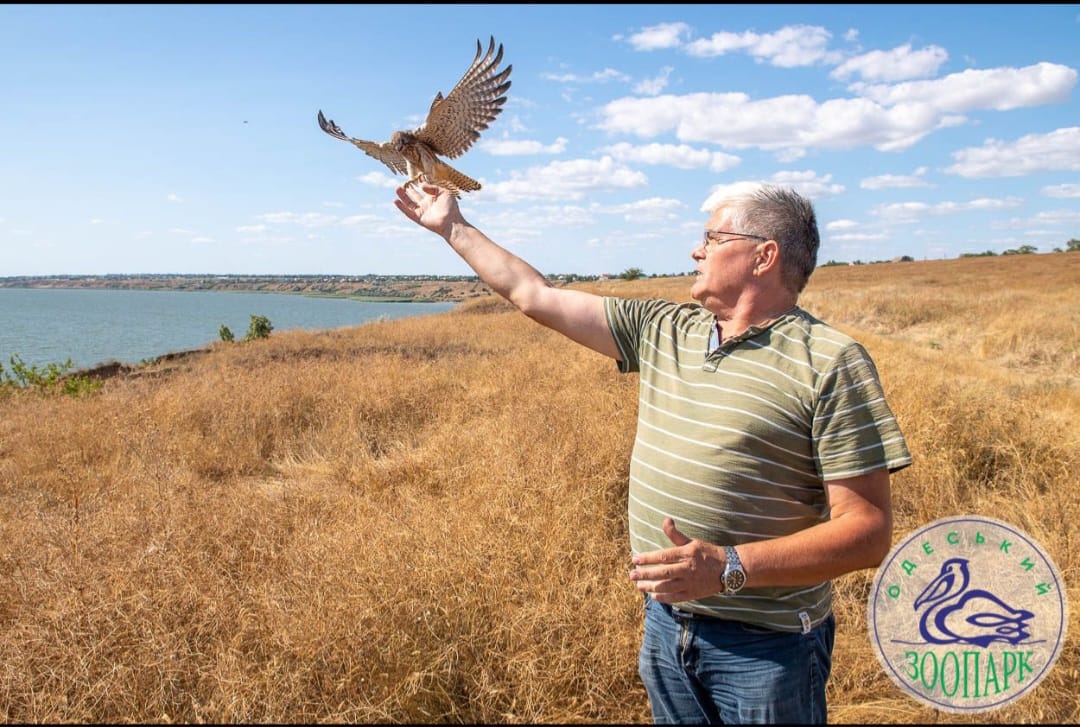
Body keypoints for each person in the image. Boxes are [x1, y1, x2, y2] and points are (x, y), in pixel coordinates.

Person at [393, 181, 912, 724]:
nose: (696, 249)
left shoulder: (830, 362)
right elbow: (534, 295)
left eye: (713, 237)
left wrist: (729, 568)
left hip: (768, 651)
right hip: (668, 627)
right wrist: (453, 226)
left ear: (764, 256)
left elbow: (868, 531)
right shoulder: (665, 329)